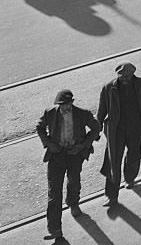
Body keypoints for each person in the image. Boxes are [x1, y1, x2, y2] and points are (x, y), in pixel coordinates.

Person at [96, 62, 141, 207]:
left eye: (127, 76)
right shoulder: (109, 87)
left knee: (134, 156)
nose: (124, 79)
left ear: (133, 74)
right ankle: (111, 196)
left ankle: (130, 178)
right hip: (117, 130)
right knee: (113, 161)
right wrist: (97, 127)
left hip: (137, 128)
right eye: (122, 76)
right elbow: (102, 109)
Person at [36, 89, 101, 241]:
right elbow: (39, 127)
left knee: (74, 182)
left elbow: (96, 128)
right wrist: (48, 144)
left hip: (75, 155)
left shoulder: (82, 113)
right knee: (54, 193)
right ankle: (55, 230)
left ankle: (73, 203)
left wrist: (83, 145)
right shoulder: (50, 113)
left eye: (67, 104)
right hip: (56, 156)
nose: (64, 108)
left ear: (72, 102)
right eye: (61, 105)